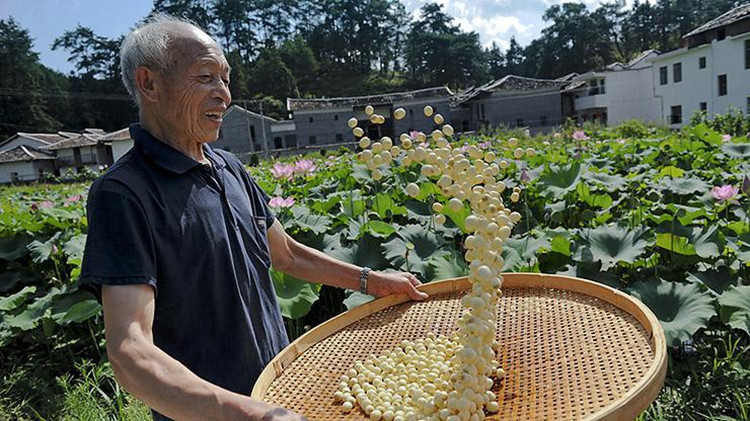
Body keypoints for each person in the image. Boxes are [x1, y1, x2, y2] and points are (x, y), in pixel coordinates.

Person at [78, 15, 428, 421]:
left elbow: (288, 256)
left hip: (280, 387)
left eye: (225, 80)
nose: (224, 95)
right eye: (206, 77)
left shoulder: (228, 167)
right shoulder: (124, 194)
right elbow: (130, 350)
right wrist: (249, 414)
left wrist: (371, 280)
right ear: (149, 83)